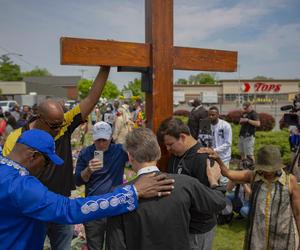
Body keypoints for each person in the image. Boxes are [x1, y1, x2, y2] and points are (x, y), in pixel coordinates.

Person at [0, 129, 175, 250]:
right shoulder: (21, 185)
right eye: (47, 162)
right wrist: (132, 192)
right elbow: (68, 209)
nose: (46, 168)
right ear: (33, 155)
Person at [3, 66, 113, 250]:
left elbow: (91, 99)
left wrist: (105, 68)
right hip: (35, 206)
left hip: (60, 201)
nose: (58, 129)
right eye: (54, 125)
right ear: (39, 118)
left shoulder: (62, 125)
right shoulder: (16, 139)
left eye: (61, 125)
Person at [106, 128, 226, 250]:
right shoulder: (185, 184)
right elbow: (218, 202)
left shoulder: (120, 194)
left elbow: (115, 244)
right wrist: (214, 182)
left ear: (130, 156)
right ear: (158, 152)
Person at [199, 145, 300, 250]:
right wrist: (218, 159)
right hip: (259, 237)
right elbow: (228, 173)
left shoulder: (289, 181)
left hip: (283, 236)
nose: (267, 172)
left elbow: (298, 213)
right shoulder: (253, 176)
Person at [157, 117, 222, 249]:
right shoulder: (176, 156)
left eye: (170, 144)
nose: (168, 149)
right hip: (180, 225)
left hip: (197, 229)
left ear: (182, 137)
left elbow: (209, 201)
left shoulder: (202, 158)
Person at [75, 121, 128, 250]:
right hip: (94, 207)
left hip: (115, 207)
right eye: (98, 140)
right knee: (94, 246)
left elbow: (139, 155)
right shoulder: (86, 153)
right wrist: (88, 170)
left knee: (117, 245)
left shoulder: (120, 151)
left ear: (111, 137)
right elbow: (77, 181)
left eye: (104, 140)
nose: (101, 144)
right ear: (93, 138)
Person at [208, 106, 232, 186]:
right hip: (211, 157)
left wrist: (214, 150)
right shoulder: (207, 125)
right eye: (209, 115)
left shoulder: (225, 126)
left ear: (218, 114)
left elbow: (228, 143)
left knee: (223, 180)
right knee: (213, 179)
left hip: (223, 158)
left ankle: (223, 197)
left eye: (213, 115)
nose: (211, 117)